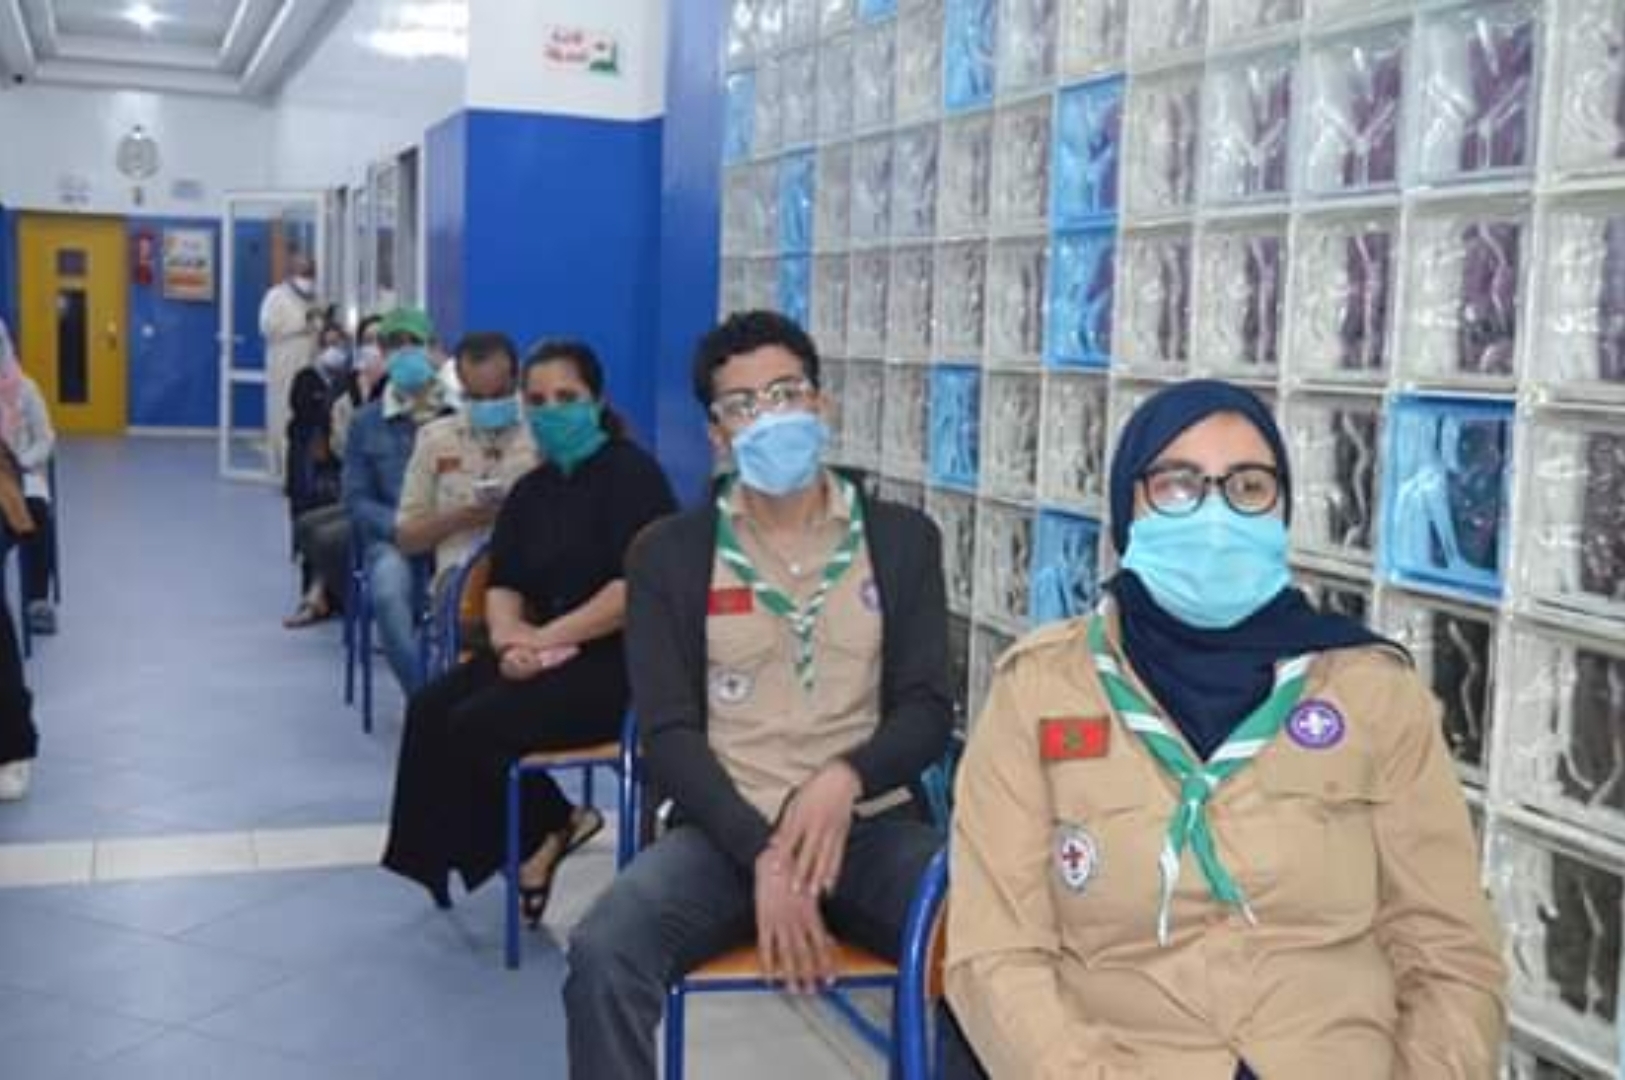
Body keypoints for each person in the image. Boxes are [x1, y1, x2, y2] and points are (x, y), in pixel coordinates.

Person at [946, 379, 1507, 1079]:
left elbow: (1449, 951)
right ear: (1126, 506)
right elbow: (996, 955)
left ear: (1281, 508)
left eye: (1247, 486)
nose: (1215, 515)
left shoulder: (1371, 691)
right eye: (1177, 485)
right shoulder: (1038, 689)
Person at [563, 311, 983, 1080]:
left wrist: (843, 778)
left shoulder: (902, 539)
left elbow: (927, 709)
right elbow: (667, 731)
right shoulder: (667, 554)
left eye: (786, 393)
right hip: (723, 833)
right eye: (742, 404)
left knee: (984, 939)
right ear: (716, 433)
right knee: (603, 952)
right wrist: (763, 853)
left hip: (869, 828)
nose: (769, 416)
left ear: (820, 404)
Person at [382, 339, 675, 913]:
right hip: (540, 652)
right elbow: (505, 582)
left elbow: (631, 592)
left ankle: (546, 829)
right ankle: (524, 833)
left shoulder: (634, 477)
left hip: (617, 663)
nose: (551, 411)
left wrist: (541, 641)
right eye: (537, 401)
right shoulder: (531, 491)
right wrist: (509, 639)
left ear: (597, 400)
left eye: (567, 397)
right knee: (430, 709)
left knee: (475, 724)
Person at [341, 307, 451, 695]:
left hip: (454, 534)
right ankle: (423, 697)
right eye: (393, 345)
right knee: (388, 594)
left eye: (413, 343)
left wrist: (441, 528)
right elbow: (355, 499)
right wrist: (402, 528)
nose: (404, 352)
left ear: (434, 350)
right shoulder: (365, 422)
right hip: (393, 539)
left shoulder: (458, 415)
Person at [395, 331, 538, 605]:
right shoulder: (434, 439)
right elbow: (407, 539)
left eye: (498, 395)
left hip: (534, 570)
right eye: (476, 397)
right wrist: (463, 517)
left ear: (516, 380)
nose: (488, 405)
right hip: (461, 578)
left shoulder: (542, 432)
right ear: (461, 386)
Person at [283, 322, 352, 627]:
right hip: (320, 464)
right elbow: (305, 413)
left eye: (339, 344)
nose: (333, 351)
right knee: (313, 518)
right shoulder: (307, 377)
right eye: (328, 344)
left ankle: (329, 595)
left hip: (349, 472)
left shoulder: (353, 383)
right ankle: (315, 595)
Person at [0, 319, 59, 635]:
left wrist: (21, 462)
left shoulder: (26, 388)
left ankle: (37, 601)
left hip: (24, 474)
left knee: (36, 514)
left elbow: (46, 439)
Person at [259, 252, 320, 478]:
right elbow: (267, 327)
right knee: (283, 415)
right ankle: (283, 470)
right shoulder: (276, 296)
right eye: (302, 270)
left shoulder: (315, 297)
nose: (307, 275)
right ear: (291, 270)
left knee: (308, 417)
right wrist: (301, 325)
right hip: (284, 365)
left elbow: (318, 328)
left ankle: (304, 469)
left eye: (310, 270)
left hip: (309, 364)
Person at [331, 314, 383, 461]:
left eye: (381, 340)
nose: (375, 347)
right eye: (369, 341)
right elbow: (339, 446)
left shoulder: (400, 383)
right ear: (359, 348)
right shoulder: (344, 387)